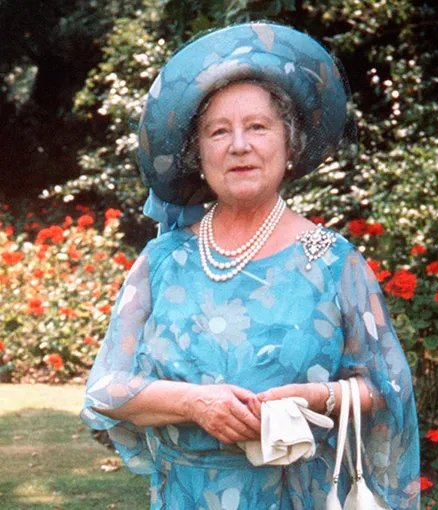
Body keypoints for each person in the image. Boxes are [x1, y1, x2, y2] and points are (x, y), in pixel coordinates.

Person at [81, 22, 420, 509]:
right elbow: (105, 391)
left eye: (257, 127)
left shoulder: (332, 260)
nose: (239, 145)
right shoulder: (162, 260)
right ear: (199, 153)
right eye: (219, 131)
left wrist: (310, 398)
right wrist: (195, 404)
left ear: (289, 144)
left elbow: (387, 388)